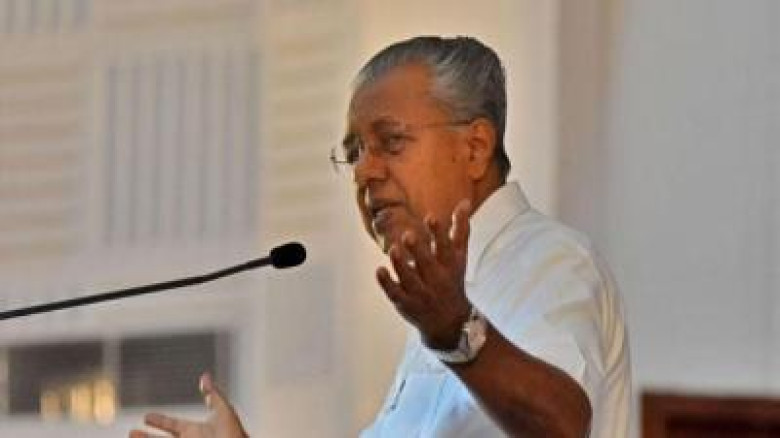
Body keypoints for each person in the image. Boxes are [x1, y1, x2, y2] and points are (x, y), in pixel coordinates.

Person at [130, 35, 631, 438]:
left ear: (476, 147)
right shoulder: (442, 306)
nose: (364, 172)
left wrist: (459, 333)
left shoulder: (547, 259)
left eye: (391, 143)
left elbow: (564, 425)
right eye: (354, 153)